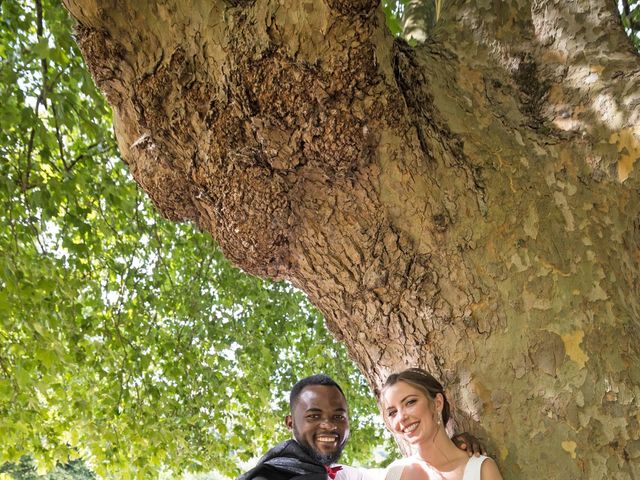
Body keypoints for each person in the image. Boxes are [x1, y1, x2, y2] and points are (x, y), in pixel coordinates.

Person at [238, 374, 484, 480]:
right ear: (290, 423)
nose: (328, 426)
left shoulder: (342, 474)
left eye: (338, 417)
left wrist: (447, 445)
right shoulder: (271, 476)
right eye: (314, 416)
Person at [380, 368, 502, 480]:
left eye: (410, 402)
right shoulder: (394, 474)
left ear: (437, 403)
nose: (401, 417)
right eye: (392, 413)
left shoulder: (481, 469)